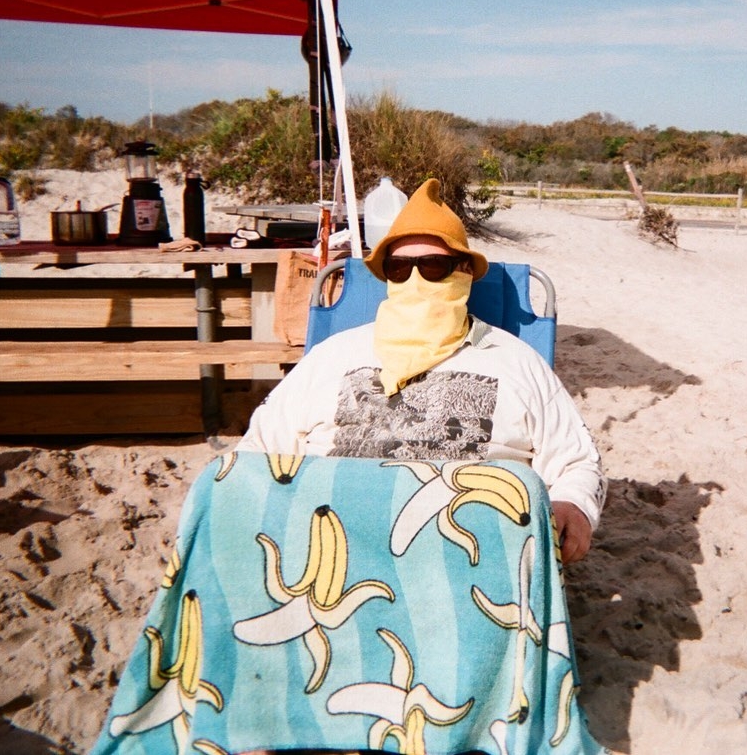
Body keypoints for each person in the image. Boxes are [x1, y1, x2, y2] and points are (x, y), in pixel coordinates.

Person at [237, 178, 606, 563]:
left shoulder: (515, 360)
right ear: (386, 277)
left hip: (477, 553)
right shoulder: (332, 356)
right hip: (337, 546)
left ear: (463, 269)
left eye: (433, 265)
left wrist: (573, 505)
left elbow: (577, 461)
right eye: (398, 268)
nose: (415, 280)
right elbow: (257, 449)